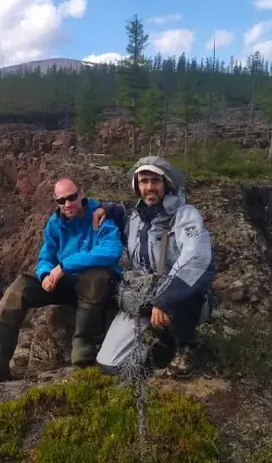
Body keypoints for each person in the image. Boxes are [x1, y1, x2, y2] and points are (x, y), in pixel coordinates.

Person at [0, 177, 124, 383]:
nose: (67, 204)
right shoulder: (55, 223)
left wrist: (64, 266)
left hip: (99, 289)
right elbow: (45, 256)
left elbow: (111, 251)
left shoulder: (101, 216)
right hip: (68, 284)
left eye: (72, 197)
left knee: (95, 276)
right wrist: (44, 275)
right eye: (61, 200)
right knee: (20, 287)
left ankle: (83, 349)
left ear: (81, 194)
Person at [93, 156, 216, 378]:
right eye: (143, 181)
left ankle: (184, 347)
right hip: (145, 295)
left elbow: (196, 259)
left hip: (180, 299)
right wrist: (106, 208)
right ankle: (158, 336)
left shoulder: (185, 215)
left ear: (166, 183)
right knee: (110, 364)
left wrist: (166, 299)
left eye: (155, 181)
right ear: (137, 186)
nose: (149, 187)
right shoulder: (135, 217)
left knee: (187, 288)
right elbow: (123, 211)